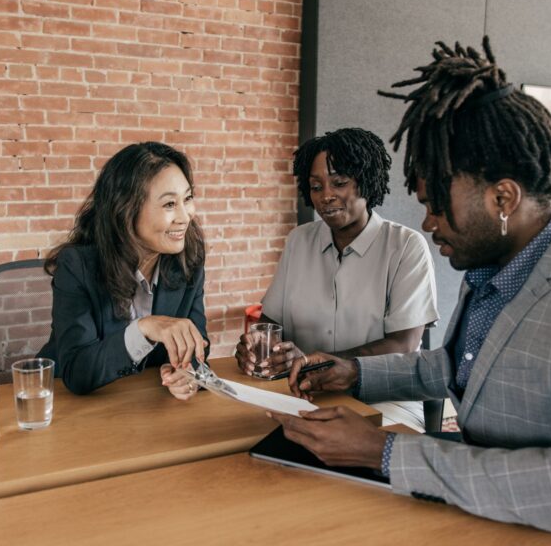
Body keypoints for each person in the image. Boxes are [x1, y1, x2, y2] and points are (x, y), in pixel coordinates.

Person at [272, 38, 551, 544]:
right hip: (492, 510)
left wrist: (385, 452)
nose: (428, 223)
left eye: (439, 205)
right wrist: (354, 372)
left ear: (503, 197)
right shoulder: (495, 270)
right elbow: (458, 366)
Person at [233, 127, 439, 427]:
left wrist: (321, 363)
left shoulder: (405, 247)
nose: (326, 196)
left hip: (384, 400)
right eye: (316, 187)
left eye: (339, 183)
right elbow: (272, 323)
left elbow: (403, 345)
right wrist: (260, 347)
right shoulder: (299, 241)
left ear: (366, 183)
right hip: (301, 395)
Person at [38, 142, 208, 398]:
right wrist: (144, 329)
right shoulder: (77, 266)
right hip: (71, 408)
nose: (185, 216)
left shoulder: (188, 258)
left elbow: (198, 345)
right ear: (126, 211)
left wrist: (187, 373)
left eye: (187, 199)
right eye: (170, 204)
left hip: (145, 405)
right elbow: (77, 372)